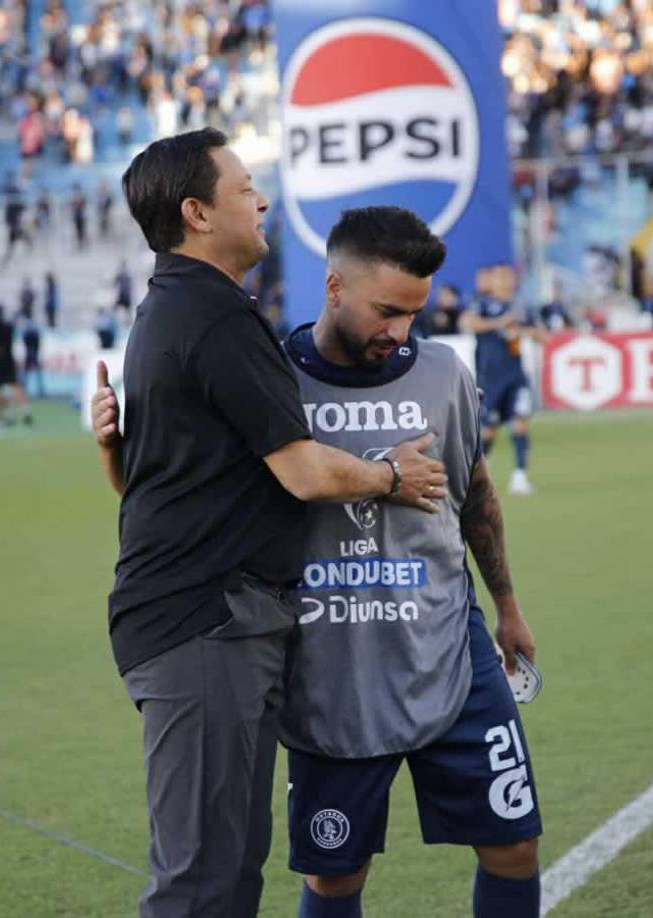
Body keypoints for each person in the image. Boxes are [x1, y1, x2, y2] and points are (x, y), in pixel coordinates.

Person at [90, 128, 447, 918]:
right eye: (244, 187)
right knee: (201, 883)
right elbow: (303, 469)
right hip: (204, 621)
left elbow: (143, 481)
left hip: (213, 621)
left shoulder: (176, 309)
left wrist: (111, 447)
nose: (261, 200)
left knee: (229, 872)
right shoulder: (211, 318)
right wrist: (393, 476)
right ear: (196, 212)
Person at [281, 207, 542, 918]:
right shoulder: (273, 380)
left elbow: (476, 493)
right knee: (336, 874)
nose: (400, 331)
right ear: (334, 288)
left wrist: (508, 607)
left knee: (515, 846)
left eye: (415, 313)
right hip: (332, 669)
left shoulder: (441, 373)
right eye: (387, 310)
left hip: (449, 651)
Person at [461, 263, 550, 496]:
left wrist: (523, 331)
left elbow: (543, 336)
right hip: (489, 377)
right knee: (488, 429)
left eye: (509, 277)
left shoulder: (521, 307)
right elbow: (468, 323)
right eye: (500, 277)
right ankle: (481, 474)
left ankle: (520, 476)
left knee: (520, 422)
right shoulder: (481, 303)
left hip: (515, 375)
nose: (505, 281)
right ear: (493, 280)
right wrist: (500, 323)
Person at [0, 305, 31, 427]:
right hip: (8, 362)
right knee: (15, 387)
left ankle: (8, 415)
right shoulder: (8, 327)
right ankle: (25, 411)